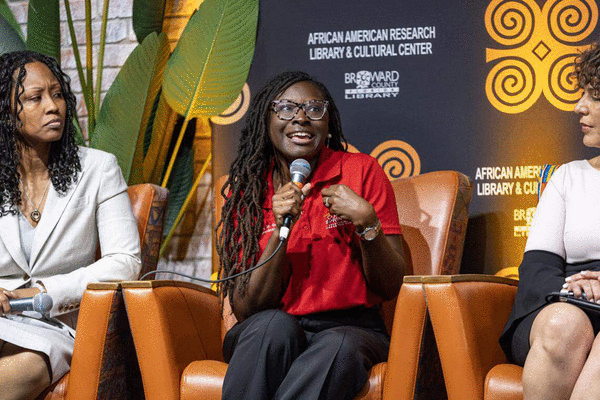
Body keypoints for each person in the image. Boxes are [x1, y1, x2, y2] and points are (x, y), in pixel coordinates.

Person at [216, 71, 406, 400]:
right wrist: (281, 230)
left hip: (352, 328)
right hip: (271, 327)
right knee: (272, 329)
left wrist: (367, 222)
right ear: (266, 120)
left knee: (337, 345)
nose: (301, 117)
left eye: (315, 109)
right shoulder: (248, 191)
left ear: (328, 123)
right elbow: (247, 309)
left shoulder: (361, 171)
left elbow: (390, 286)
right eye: (286, 108)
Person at [0, 50, 141, 399]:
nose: (54, 107)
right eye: (35, 98)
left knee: (27, 366)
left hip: (52, 326)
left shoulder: (98, 169)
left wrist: (41, 292)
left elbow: (125, 261)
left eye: (58, 94)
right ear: (7, 113)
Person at [500, 43, 600, 400]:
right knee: (563, 325)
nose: (579, 107)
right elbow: (537, 269)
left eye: (594, 96)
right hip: (562, 303)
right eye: (581, 94)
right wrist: (578, 289)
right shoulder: (567, 178)